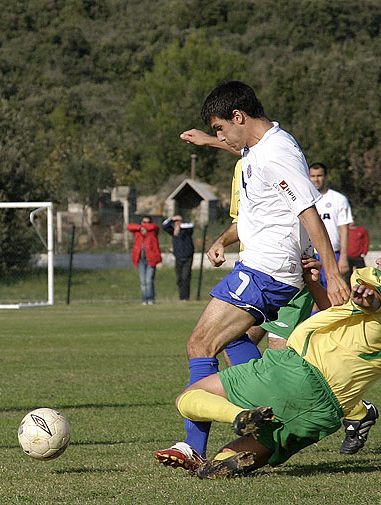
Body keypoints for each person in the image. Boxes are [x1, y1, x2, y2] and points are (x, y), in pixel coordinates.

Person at [154, 81, 349, 470]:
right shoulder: (264, 145)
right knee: (234, 341)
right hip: (264, 269)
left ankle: (195, 447)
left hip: (267, 270)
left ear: (238, 116)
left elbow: (308, 212)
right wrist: (211, 142)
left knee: (200, 344)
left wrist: (333, 271)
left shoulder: (276, 155)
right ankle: (264, 415)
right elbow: (240, 148)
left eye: (221, 128)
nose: (220, 135)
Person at [175, 234, 381, 479]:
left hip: (297, 373)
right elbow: (344, 312)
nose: (379, 259)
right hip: (324, 412)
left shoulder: (380, 286)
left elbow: (373, 294)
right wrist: (314, 283)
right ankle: (232, 457)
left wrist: (367, 296)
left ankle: (238, 415)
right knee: (239, 454)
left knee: (189, 398)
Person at [309, 162, 353, 284]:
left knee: (335, 293)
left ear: (326, 176)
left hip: (333, 254)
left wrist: (343, 257)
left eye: (319, 176)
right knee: (313, 297)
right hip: (311, 254)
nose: (316, 179)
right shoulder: (304, 199)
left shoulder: (338, 199)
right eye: (313, 176)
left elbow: (344, 230)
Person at [127, 216, 161, 305]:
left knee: (149, 280)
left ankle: (151, 299)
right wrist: (141, 228)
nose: (145, 224)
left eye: (147, 222)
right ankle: (144, 299)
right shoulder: (138, 232)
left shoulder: (153, 232)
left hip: (151, 260)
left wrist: (146, 228)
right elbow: (129, 226)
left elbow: (155, 227)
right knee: (143, 281)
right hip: (141, 260)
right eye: (144, 222)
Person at [162, 215, 195, 301]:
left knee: (185, 277)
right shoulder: (173, 232)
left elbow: (191, 225)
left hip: (188, 258)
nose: (177, 224)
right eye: (175, 222)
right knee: (180, 279)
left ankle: (185, 297)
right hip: (178, 258)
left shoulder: (187, 231)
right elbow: (164, 226)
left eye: (178, 222)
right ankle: (182, 297)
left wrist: (180, 225)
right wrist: (172, 219)